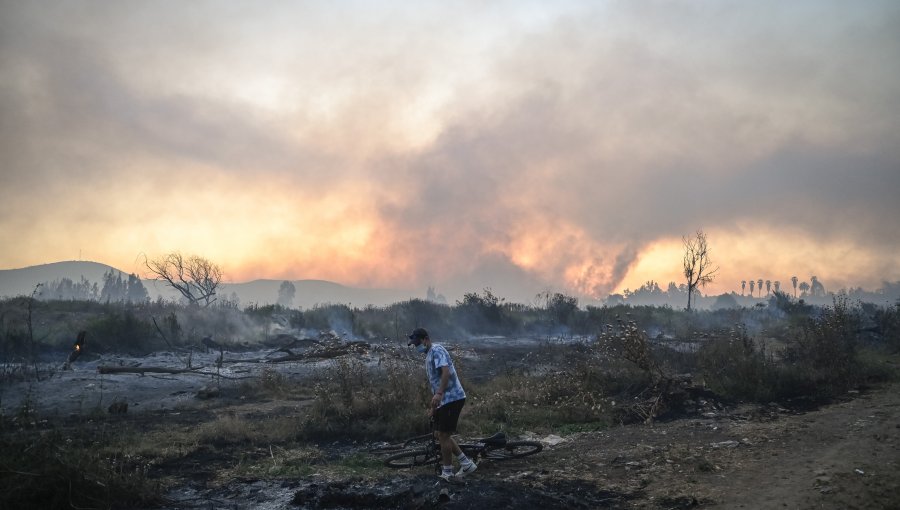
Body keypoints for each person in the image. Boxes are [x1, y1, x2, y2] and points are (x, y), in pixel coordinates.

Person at [407, 327, 477, 481]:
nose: (416, 346)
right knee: (440, 434)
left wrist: (439, 394)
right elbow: (436, 383)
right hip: (444, 400)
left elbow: (446, 372)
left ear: (425, 339)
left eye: (417, 342)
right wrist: (433, 407)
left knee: (444, 435)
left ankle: (447, 472)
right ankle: (466, 464)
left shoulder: (437, 350)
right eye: (413, 344)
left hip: (453, 398)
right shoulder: (428, 355)